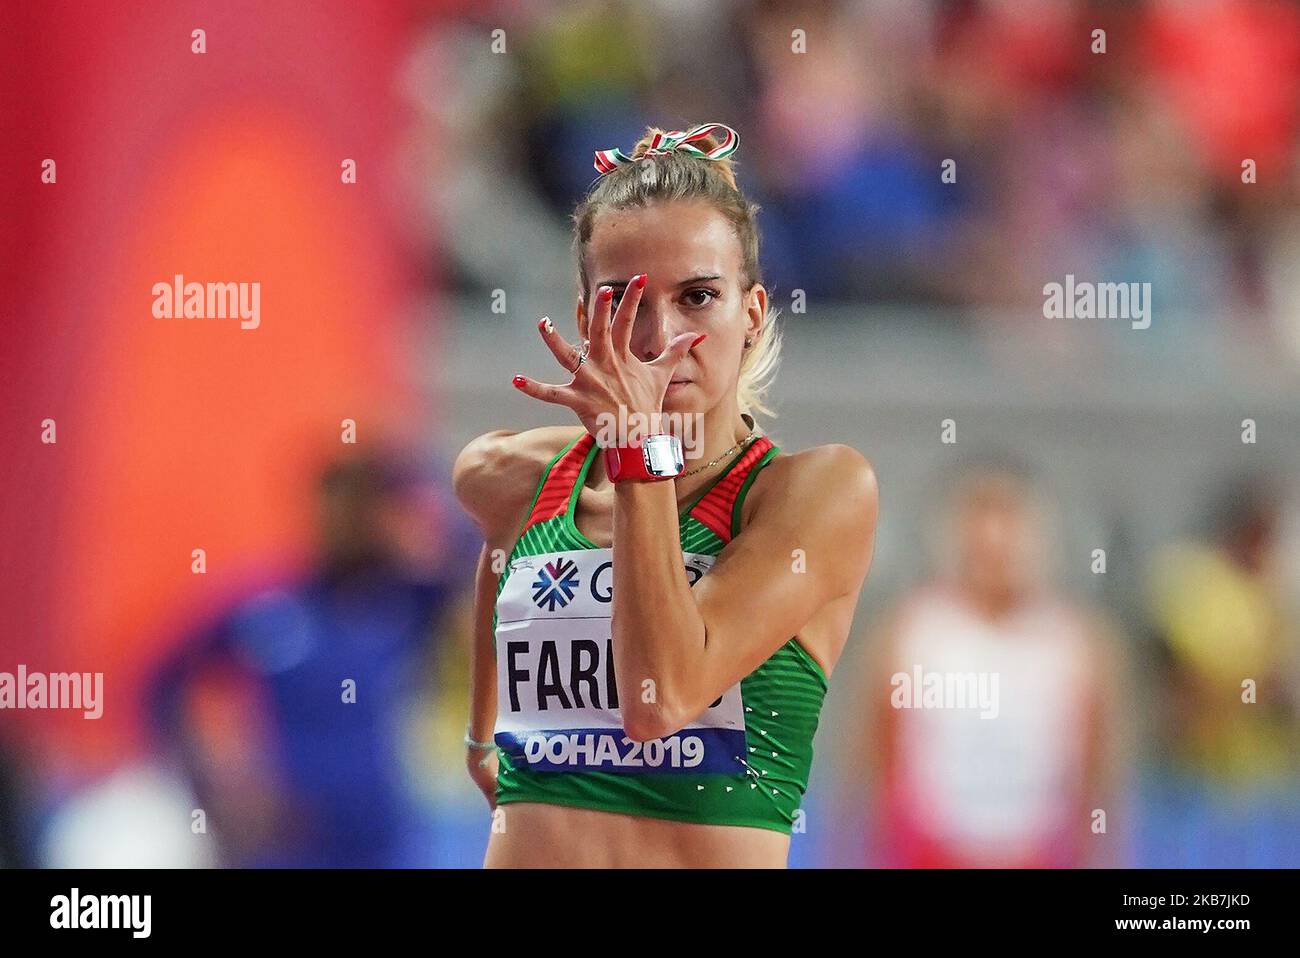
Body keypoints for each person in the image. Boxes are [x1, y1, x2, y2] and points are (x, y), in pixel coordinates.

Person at [453, 122, 878, 868]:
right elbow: (497, 546)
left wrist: (637, 451)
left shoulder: (814, 493)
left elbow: (659, 697)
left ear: (750, 314)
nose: (660, 338)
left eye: (698, 297)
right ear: (587, 321)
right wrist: (481, 736)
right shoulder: (516, 477)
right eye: (625, 302)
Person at [148, 449, 468, 867]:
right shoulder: (266, 603)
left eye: (367, 506)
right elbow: (161, 683)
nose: (349, 522)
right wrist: (213, 788)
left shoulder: (407, 598)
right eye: (340, 503)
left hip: (385, 835)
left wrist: (419, 511)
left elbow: (479, 555)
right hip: (288, 838)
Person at [861, 458, 1125, 868]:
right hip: (931, 854)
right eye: (979, 520)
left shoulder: (1076, 642)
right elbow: (875, 769)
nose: (995, 540)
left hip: (1040, 853)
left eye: (1010, 520)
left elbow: (1097, 778)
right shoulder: (909, 635)